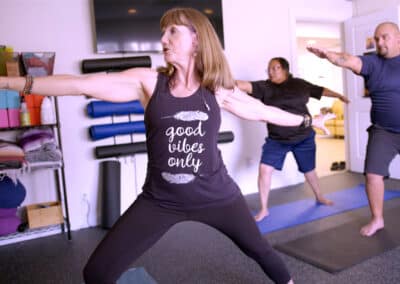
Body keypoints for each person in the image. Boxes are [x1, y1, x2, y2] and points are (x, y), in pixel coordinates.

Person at [0, 8, 332, 284]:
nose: (163, 39)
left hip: (218, 196)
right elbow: (79, 84)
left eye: (172, 32)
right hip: (160, 200)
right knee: (96, 273)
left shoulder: (216, 89)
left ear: (196, 39)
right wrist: (10, 82)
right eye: (163, 33)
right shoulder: (148, 83)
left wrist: (306, 121)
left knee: (261, 251)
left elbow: (264, 112)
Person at [307, 21, 400, 237]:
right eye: (377, 38)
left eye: (384, 37)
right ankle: (377, 219)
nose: (379, 42)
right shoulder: (372, 62)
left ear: (398, 38)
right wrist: (328, 55)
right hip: (383, 131)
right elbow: (349, 60)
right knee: (372, 175)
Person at [236, 57, 349, 221]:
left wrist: (338, 95)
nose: (271, 71)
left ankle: (319, 196)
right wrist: (221, 80)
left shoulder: (299, 84)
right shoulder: (265, 87)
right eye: (269, 69)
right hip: (277, 139)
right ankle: (264, 209)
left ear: (285, 70)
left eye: (275, 68)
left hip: (303, 137)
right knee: (264, 170)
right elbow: (244, 85)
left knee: (309, 171)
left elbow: (320, 90)